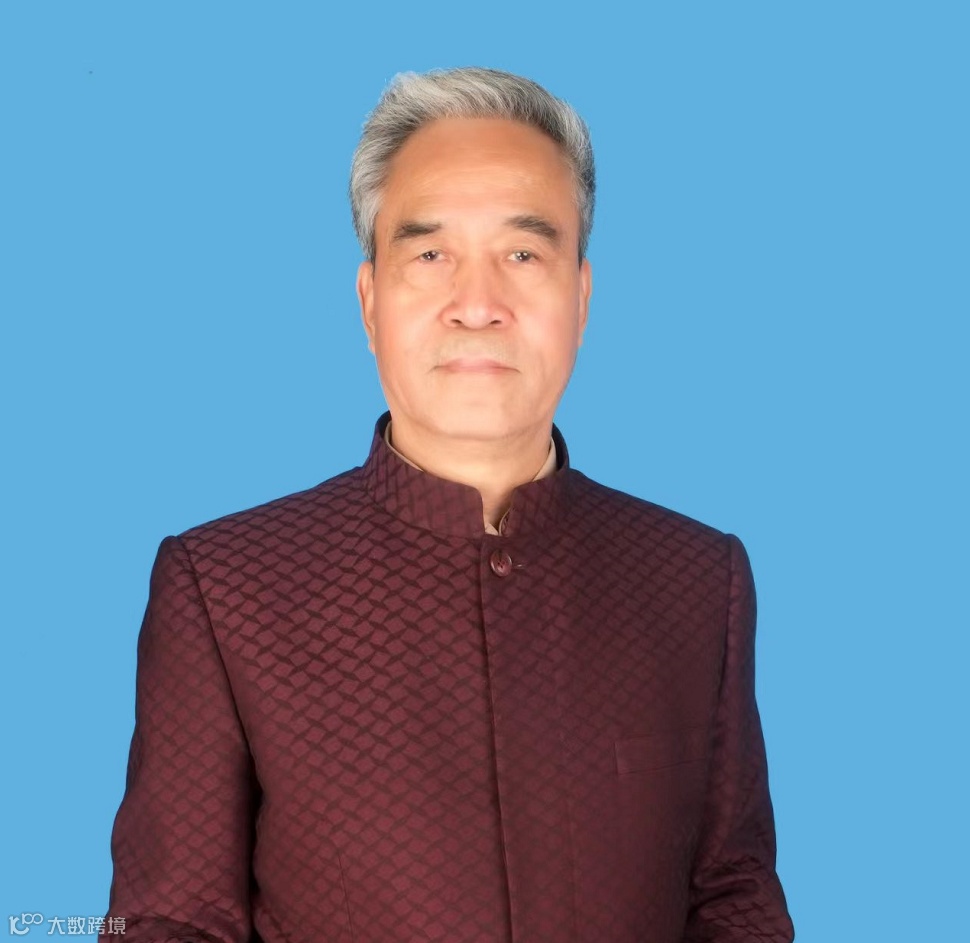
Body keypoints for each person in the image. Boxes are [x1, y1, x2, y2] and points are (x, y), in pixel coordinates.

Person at [104, 67, 794, 942]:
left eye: (523, 253)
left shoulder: (695, 580)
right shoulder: (226, 589)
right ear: (370, 302)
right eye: (430, 255)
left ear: (581, 298)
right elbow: (169, 924)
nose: (478, 305)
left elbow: (734, 895)